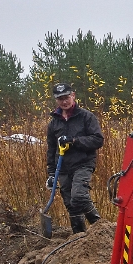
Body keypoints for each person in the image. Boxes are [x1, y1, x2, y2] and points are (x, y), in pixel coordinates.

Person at [46, 82, 105, 234]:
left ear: (73, 96)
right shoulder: (54, 123)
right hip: (63, 168)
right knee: (71, 204)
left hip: (83, 163)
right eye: (60, 99)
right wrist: (51, 174)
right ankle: (79, 238)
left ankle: (101, 228)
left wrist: (74, 141)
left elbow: (98, 140)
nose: (64, 102)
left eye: (66, 97)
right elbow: (51, 149)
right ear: (56, 100)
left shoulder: (86, 117)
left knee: (78, 196)